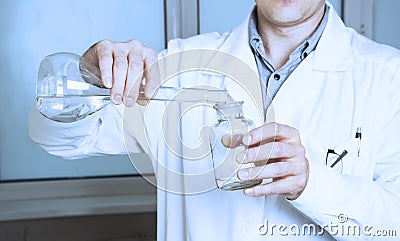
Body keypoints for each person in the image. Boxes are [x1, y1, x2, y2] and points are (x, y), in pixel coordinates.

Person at [29, 0, 400, 240]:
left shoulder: (386, 76)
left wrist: (312, 184)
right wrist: (91, 74)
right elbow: (58, 138)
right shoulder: (180, 66)